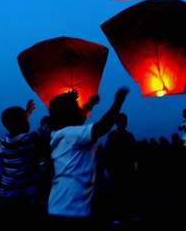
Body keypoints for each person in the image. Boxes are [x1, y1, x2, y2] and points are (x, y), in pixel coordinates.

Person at [46, 87, 129, 229]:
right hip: (70, 207)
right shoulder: (71, 134)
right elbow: (102, 127)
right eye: (76, 107)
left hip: (62, 204)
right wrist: (118, 102)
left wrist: (88, 105)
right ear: (70, 114)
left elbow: (79, 119)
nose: (81, 110)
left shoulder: (61, 134)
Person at [0, 99, 51, 227]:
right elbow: (50, 124)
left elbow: (15, 125)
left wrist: (27, 113)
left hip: (6, 196)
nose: (28, 121)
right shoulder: (29, 140)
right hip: (25, 198)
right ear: (21, 124)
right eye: (26, 119)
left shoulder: (4, 140)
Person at [103, 112, 139, 226]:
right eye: (123, 121)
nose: (124, 123)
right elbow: (108, 152)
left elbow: (134, 152)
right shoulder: (114, 135)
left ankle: (127, 214)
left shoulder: (127, 135)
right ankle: (117, 215)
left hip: (125, 168)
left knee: (127, 192)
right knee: (117, 192)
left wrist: (135, 166)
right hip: (117, 168)